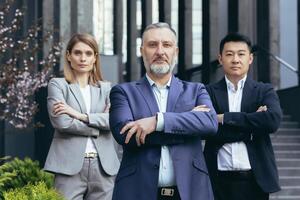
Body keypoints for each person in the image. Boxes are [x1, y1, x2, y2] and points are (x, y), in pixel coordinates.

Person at [109, 22, 218, 200]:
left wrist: (157, 122)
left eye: (166, 45)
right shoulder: (123, 92)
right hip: (137, 191)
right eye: (152, 45)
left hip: (190, 191)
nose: (160, 51)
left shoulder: (196, 90)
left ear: (176, 51)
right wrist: (188, 124)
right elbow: (125, 134)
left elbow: (210, 124)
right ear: (142, 50)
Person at [204, 33, 282, 200]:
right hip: (217, 181)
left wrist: (223, 118)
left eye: (241, 54)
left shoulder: (264, 91)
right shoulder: (208, 92)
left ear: (250, 58)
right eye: (229, 54)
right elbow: (205, 128)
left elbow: (272, 121)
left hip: (255, 181)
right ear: (220, 58)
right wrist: (252, 126)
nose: (235, 59)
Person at [44, 33, 120, 200]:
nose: (83, 58)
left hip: (103, 167)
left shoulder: (106, 89)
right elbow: (62, 123)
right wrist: (97, 128)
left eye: (88, 53)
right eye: (78, 53)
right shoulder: (58, 85)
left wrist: (78, 115)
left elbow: (112, 121)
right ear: (69, 56)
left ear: (95, 58)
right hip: (68, 167)